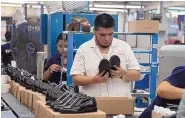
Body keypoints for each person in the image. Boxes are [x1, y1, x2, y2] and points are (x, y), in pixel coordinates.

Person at [70, 13, 141, 97]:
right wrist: (93, 80)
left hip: (120, 104)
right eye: (102, 35)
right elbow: (76, 78)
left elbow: (137, 75)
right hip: (93, 105)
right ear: (95, 31)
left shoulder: (124, 47)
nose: (107, 39)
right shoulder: (84, 49)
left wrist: (123, 73)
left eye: (110, 34)